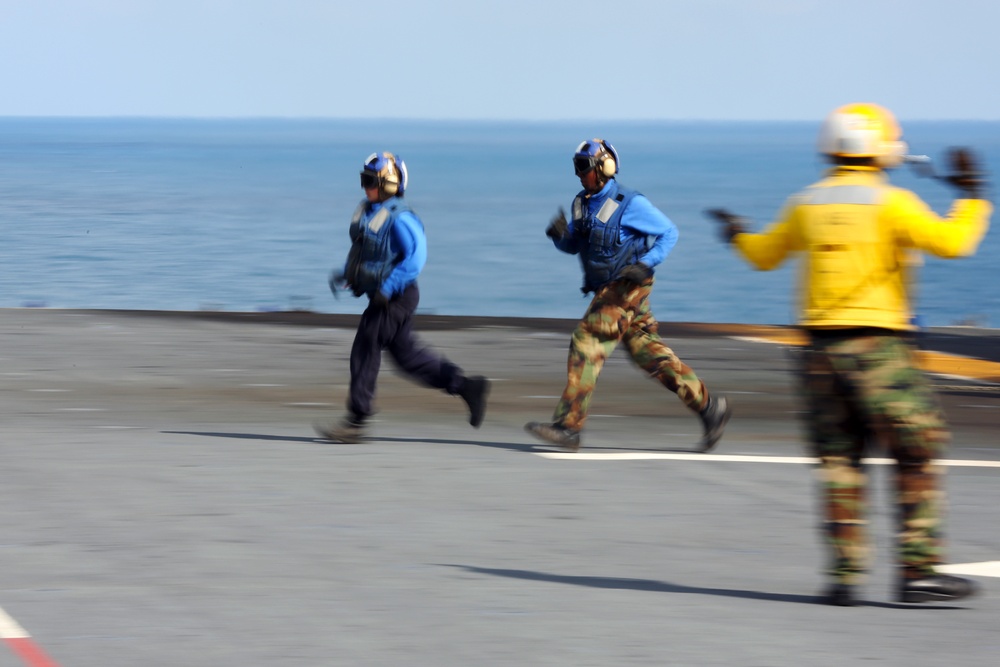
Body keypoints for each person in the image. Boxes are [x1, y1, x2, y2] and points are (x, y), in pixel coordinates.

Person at [710, 103, 992, 606]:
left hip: (818, 352)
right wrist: (973, 197)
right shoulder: (893, 202)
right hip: (879, 348)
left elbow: (764, 255)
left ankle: (844, 577)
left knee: (840, 459)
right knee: (915, 450)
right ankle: (918, 572)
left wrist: (736, 233)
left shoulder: (807, 203)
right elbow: (955, 244)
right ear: (880, 147)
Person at [524, 138, 731, 453]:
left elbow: (669, 232)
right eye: (576, 167)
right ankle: (709, 408)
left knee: (587, 340)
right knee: (649, 354)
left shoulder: (630, 203)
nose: (579, 174)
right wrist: (559, 237)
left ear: (604, 169)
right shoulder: (581, 203)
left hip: (626, 286)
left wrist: (646, 264)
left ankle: (569, 426)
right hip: (611, 290)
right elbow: (575, 246)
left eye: (584, 167)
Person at [316, 152, 490, 443]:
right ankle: (466, 387)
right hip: (385, 296)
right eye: (363, 180)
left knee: (366, 343)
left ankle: (356, 420)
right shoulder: (369, 212)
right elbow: (366, 255)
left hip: (397, 296)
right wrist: (348, 276)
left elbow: (416, 259)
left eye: (370, 181)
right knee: (408, 358)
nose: (365, 187)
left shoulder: (400, 218)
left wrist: (386, 289)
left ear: (390, 184)